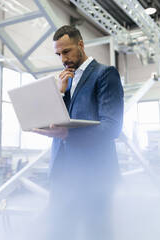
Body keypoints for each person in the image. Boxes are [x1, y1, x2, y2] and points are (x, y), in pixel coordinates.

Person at [33, 25, 124, 240]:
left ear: (81, 45)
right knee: (60, 232)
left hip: (93, 174)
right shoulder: (68, 80)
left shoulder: (104, 74)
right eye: (59, 54)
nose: (63, 59)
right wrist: (61, 92)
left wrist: (68, 134)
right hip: (63, 173)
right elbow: (62, 119)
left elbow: (112, 126)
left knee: (96, 233)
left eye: (66, 51)